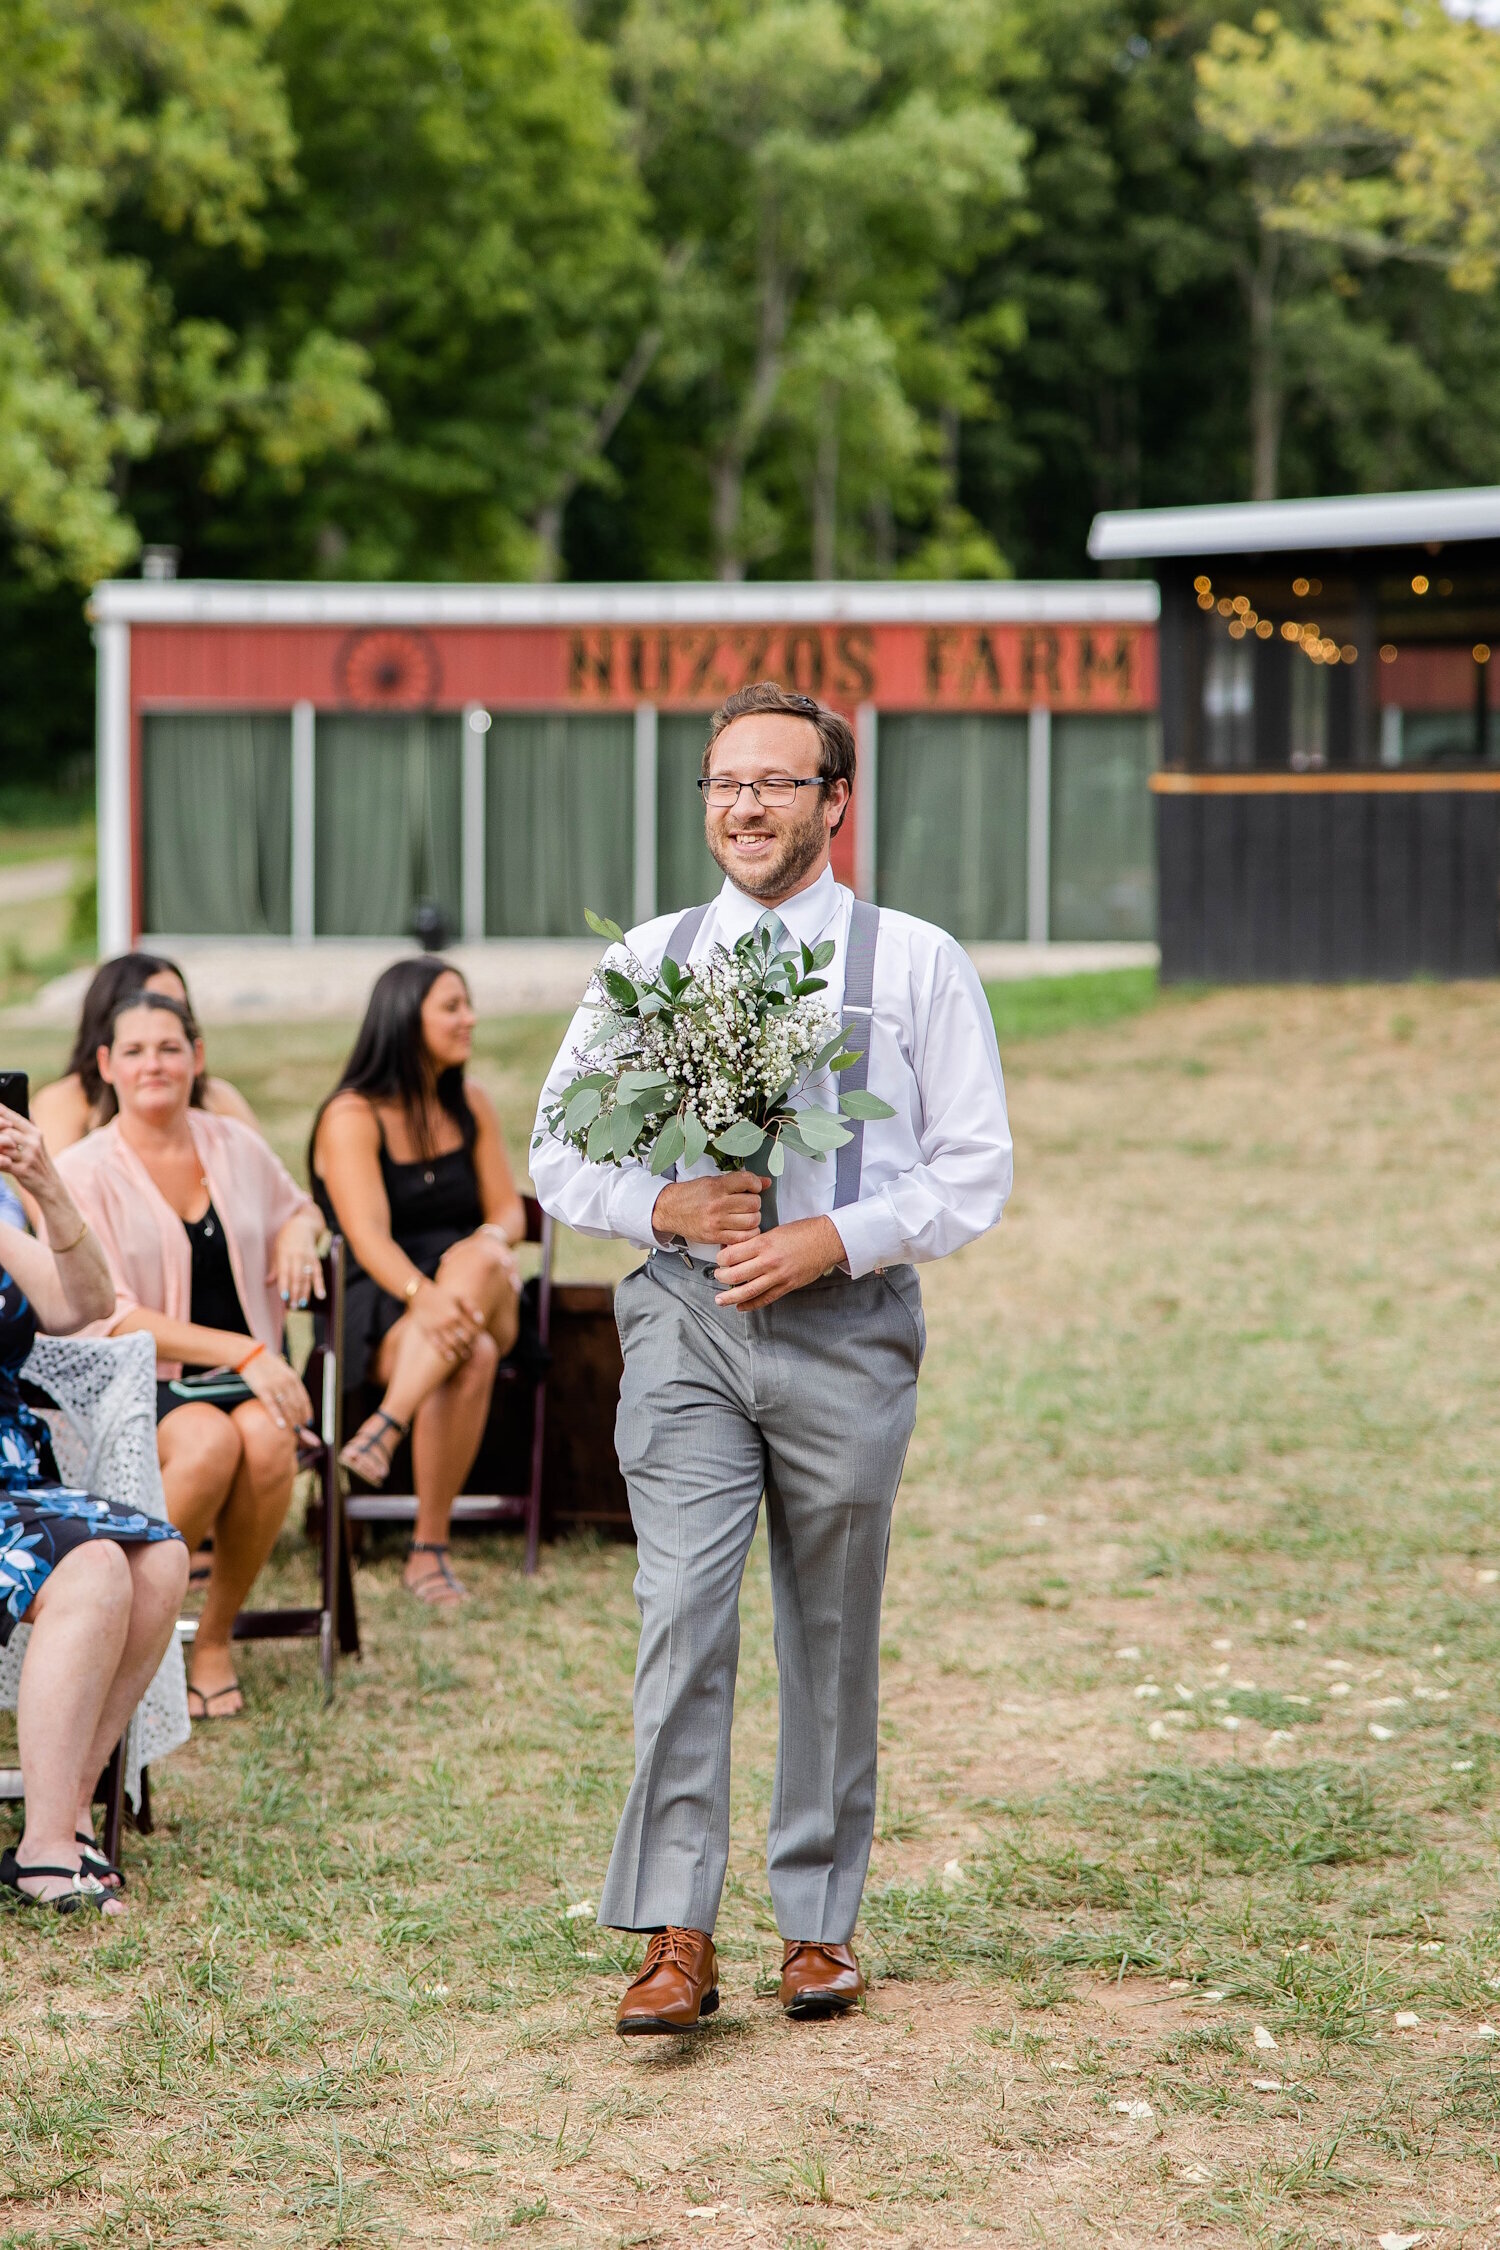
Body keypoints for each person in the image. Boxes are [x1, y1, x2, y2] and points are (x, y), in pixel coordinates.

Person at [532, 680, 1013, 2036]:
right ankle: (677, 1929)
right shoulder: (646, 960)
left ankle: (817, 1921)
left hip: (847, 1329)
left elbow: (975, 1171)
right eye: (724, 783)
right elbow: (559, 1148)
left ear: (836, 802)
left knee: (830, 1622)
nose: (744, 804)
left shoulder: (915, 963)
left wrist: (834, 1237)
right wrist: (664, 1204)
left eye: (776, 782)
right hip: (685, 1316)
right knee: (683, 1607)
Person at [55, 989, 323, 1721]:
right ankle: (119, 1640)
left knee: (269, 1446)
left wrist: (300, 1229)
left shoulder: (230, 1142)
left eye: (170, 1048)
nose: (155, 1064)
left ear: (197, 1058)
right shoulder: (84, 1169)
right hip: (145, 1380)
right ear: (106, 1064)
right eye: (135, 1051)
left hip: (248, 1375)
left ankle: (211, 1640)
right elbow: (105, 1312)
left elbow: (299, 1205)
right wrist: (245, 1353)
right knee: (206, 1447)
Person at [0, 1098, 187, 1912]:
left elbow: (82, 1303)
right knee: (92, 1570)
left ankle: (69, 1807)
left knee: (159, 1557)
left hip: (13, 1475)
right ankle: (44, 1850)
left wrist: (47, 1188)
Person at [309, 960, 525, 1609]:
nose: (471, 1019)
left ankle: (387, 1424)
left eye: (468, 1004)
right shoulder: (352, 1116)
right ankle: (428, 1551)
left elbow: (509, 1210)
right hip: (386, 1302)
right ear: (406, 1019)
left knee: (482, 1260)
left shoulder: (472, 1103)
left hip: (479, 1292)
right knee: (474, 1352)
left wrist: (485, 1246)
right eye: (453, 1007)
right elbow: (367, 1236)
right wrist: (424, 1296)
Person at [32, 951, 258, 1158]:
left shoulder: (216, 1098)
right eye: (154, 1003)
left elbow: (265, 1183)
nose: (167, 1016)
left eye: (178, 1007)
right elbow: (46, 1195)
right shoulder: (64, 1103)